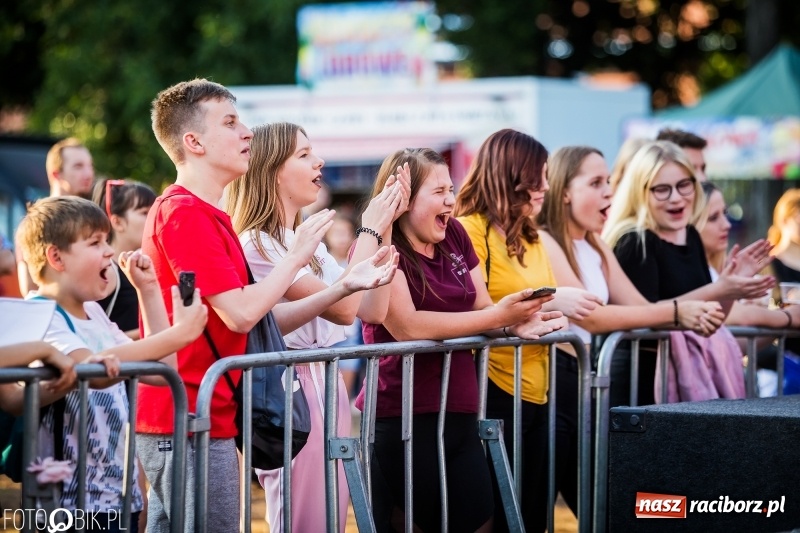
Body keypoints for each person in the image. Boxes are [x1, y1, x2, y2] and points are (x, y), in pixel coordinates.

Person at [139, 78, 393, 532]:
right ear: (193, 142)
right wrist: (299, 256)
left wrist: (341, 284)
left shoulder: (209, 216)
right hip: (188, 415)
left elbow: (262, 321)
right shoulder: (184, 213)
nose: (247, 133)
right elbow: (241, 313)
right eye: (231, 123)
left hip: (209, 413)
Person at [356, 147, 564, 533]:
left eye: (451, 189)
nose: (451, 200)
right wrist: (498, 317)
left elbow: (482, 305)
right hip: (402, 416)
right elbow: (407, 327)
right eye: (438, 192)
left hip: (462, 409)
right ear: (402, 199)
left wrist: (511, 325)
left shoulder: (454, 232)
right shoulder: (380, 247)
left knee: (478, 519)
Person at [224, 122, 402, 533]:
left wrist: (385, 225)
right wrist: (370, 228)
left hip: (327, 382)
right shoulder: (257, 243)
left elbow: (370, 310)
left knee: (331, 518)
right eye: (303, 155)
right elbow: (342, 310)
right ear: (272, 170)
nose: (318, 161)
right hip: (292, 390)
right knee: (303, 518)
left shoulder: (308, 242)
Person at [536, 145, 725, 517]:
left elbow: (639, 308)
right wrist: (678, 311)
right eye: (595, 182)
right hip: (553, 384)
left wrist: (681, 312)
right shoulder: (546, 239)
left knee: (605, 506)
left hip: (585, 385)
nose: (609, 190)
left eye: (607, 181)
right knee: (542, 507)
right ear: (564, 192)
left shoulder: (596, 245)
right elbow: (592, 316)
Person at [14, 196, 207, 531]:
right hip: (68, 503)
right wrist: (181, 333)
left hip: (117, 494)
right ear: (56, 257)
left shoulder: (94, 313)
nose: (108, 251)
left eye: (106, 240)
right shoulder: (42, 315)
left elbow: (162, 371)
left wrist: (148, 291)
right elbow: (91, 371)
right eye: (95, 242)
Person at [454, 129, 597, 531]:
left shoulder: (532, 236)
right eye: (539, 178)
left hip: (539, 385)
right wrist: (553, 303)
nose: (546, 188)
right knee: (499, 511)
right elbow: (472, 307)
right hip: (492, 386)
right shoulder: (468, 230)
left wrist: (552, 311)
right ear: (512, 176)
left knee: (533, 512)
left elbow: (541, 305)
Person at [601, 141, 773, 406]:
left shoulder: (691, 235)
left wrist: (732, 287)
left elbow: (710, 321)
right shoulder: (634, 241)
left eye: (684, 185)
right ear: (640, 192)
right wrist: (721, 288)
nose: (676, 197)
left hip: (686, 378)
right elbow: (647, 315)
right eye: (662, 189)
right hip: (640, 381)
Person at [17, 138, 96, 295]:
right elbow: (30, 290)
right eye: (78, 166)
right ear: (56, 174)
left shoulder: (94, 219)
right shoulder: (36, 223)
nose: (88, 173)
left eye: (90, 166)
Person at [92, 179, 157, 339]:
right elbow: (95, 337)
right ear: (117, 222)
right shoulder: (107, 272)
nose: (153, 218)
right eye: (144, 212)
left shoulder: (140, 266)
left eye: (153, 211)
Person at [325, 212, 365, 397]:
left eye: (345, 232)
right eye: (336, 232)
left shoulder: (356, 262)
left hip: (350, 335)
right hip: (325, 337)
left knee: (342, 397)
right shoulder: (321, 262)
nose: (341, 238)